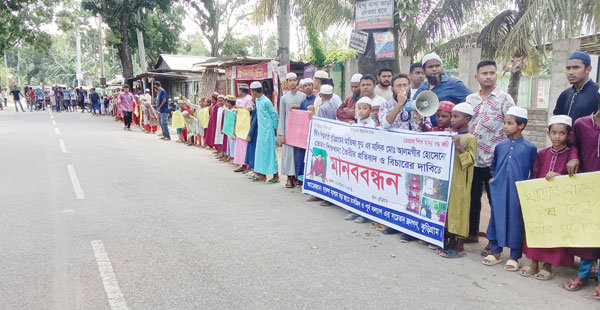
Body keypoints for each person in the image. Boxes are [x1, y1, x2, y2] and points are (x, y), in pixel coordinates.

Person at [518, 115, 575, 279]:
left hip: (559, 201)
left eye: (562, 133)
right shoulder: (542, 153)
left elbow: (574, 178)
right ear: (548, 133)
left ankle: (547, 266)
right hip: (540, 199)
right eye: (554, 132)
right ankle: (533, 263)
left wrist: (559, 175)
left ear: (568, 135)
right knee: (536, 229)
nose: (557, 137)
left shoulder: (571, 155)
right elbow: (535, 174)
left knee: (552, 231)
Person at [466, 60, 516, 244]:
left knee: (495, 201)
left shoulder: (505, 99)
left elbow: (512, 126)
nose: (488, 76)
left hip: (495, 159)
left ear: (496, 75)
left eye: (492, 73)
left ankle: (493, 240)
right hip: (472, 159)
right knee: (472, 198)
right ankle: (471, 233)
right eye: (484, 73)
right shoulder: (470, 100)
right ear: (476, 77)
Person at [482, 107, 537, 271]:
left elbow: (534, 170)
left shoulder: (530, 147)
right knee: (496, 217)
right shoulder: (500, 146)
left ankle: (514, 256)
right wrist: (494, 179)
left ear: (521, 125)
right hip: (499, 189)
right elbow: (493, 166)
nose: (505, 126)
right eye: (504, 123)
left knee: (515, 220)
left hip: (517, 191)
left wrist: (527, 186)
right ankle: (496, 252)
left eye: (509, 123)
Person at [562, 98, 600, 297]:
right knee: (588, 231)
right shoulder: (582, 124)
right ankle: (583, 274)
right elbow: (573, 145)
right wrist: (574, 156)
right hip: (586, 187)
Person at [438, 102, 477, 259]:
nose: (452, 120)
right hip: (450, 180)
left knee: (459, 210)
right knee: (449, 210)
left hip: (461, 181)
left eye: (456, 116)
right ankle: (451, 241)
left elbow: (470, 160)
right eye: (452, 116)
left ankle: (460, 246)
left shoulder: (470, 138)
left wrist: (459, 146)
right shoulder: (451, 134)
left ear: (466, 119)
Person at [414, 52, 472, 126]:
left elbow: (472, 100)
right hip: (427, 131)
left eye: (437, 66)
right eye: (430, 67)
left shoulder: (454, 84)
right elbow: (414, 103)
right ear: (424, 70)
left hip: (448, 133)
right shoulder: (423, 86)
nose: (434, 69)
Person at [553, 51, 600, 123]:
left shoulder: (597, 92)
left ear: (588, 69)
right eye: (568, 68)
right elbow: (556, 122)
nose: (571, 72)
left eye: (576, 68)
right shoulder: (565, 94)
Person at [278, 72, 306, 188]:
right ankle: (289, 178)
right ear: (287, 83)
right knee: (288, 154)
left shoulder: (303, 96)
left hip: (300, 130)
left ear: (297, 82)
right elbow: (282, 116)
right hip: (288, 130)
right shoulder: (284, 98)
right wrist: (282, 134)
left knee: (298, 154)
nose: (293, 82)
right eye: (290, 80)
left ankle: (297, 176)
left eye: (294, 80)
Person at [250, 81, 280, 183]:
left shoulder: (266, 101)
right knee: (261, 153)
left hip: (268, 130)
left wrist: (275, 129)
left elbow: (274, 115)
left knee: (269, 152)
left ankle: (276, 175)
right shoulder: (257, 101)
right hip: (261, 131)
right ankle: (262, 174)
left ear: (254, 91)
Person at [295, 78, 317, 186]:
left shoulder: (317, 100)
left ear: (313, 86)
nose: (308, 87)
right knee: (302, 155)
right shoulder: (303, 102)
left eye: (310, 85)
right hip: (305, 133)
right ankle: (301, 178)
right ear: (302, 88)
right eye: (305, 86)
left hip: (315, 133)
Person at [234, 86, 254, 173]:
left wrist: (239, 108)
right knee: (240, 145)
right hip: (241, 125)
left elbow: (249, 111)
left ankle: (247, 165)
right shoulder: (243, 99)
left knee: (245, 146)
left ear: (241, 91)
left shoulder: (248, 99)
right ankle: (242, 164)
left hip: (246, 125)